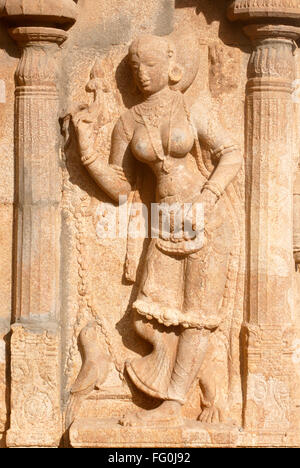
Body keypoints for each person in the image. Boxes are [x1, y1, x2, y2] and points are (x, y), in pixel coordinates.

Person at [73, 34, 243, 426]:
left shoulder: (192, 107)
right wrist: (87, 152)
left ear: (171, 66)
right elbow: (120, 186)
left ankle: (172, 404)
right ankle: (182, 385)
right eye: (135, 68)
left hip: (207, 221)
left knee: (197, 316)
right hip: (163, 222)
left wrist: (209, 196)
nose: (142, 75)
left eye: (149, 65)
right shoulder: (129, 121)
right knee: (145, 318)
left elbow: (230, 153)